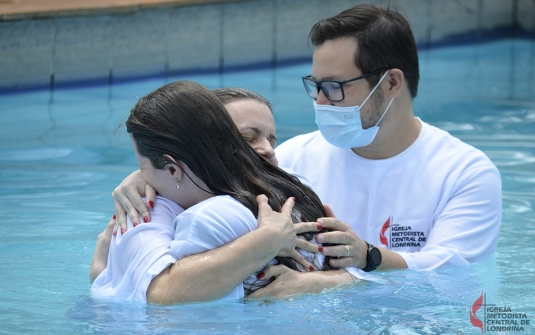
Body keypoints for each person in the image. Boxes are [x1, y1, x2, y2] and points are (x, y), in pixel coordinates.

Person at [102, 4, 502, 296]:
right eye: (315, 86)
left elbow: (454, 277)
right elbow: (210, 179)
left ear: (392, 83)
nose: (320, 103)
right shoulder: (296, 156)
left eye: (334, 88)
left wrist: (364, 260)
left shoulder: (464, 172)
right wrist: (143, 177)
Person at [90, 81, 351, 304]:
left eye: (272, 139)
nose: (268, 150)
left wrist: (102, 273)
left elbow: (161, 298)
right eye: (247, 138)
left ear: (172, 168)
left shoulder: (208, 218)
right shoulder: (297, 192)